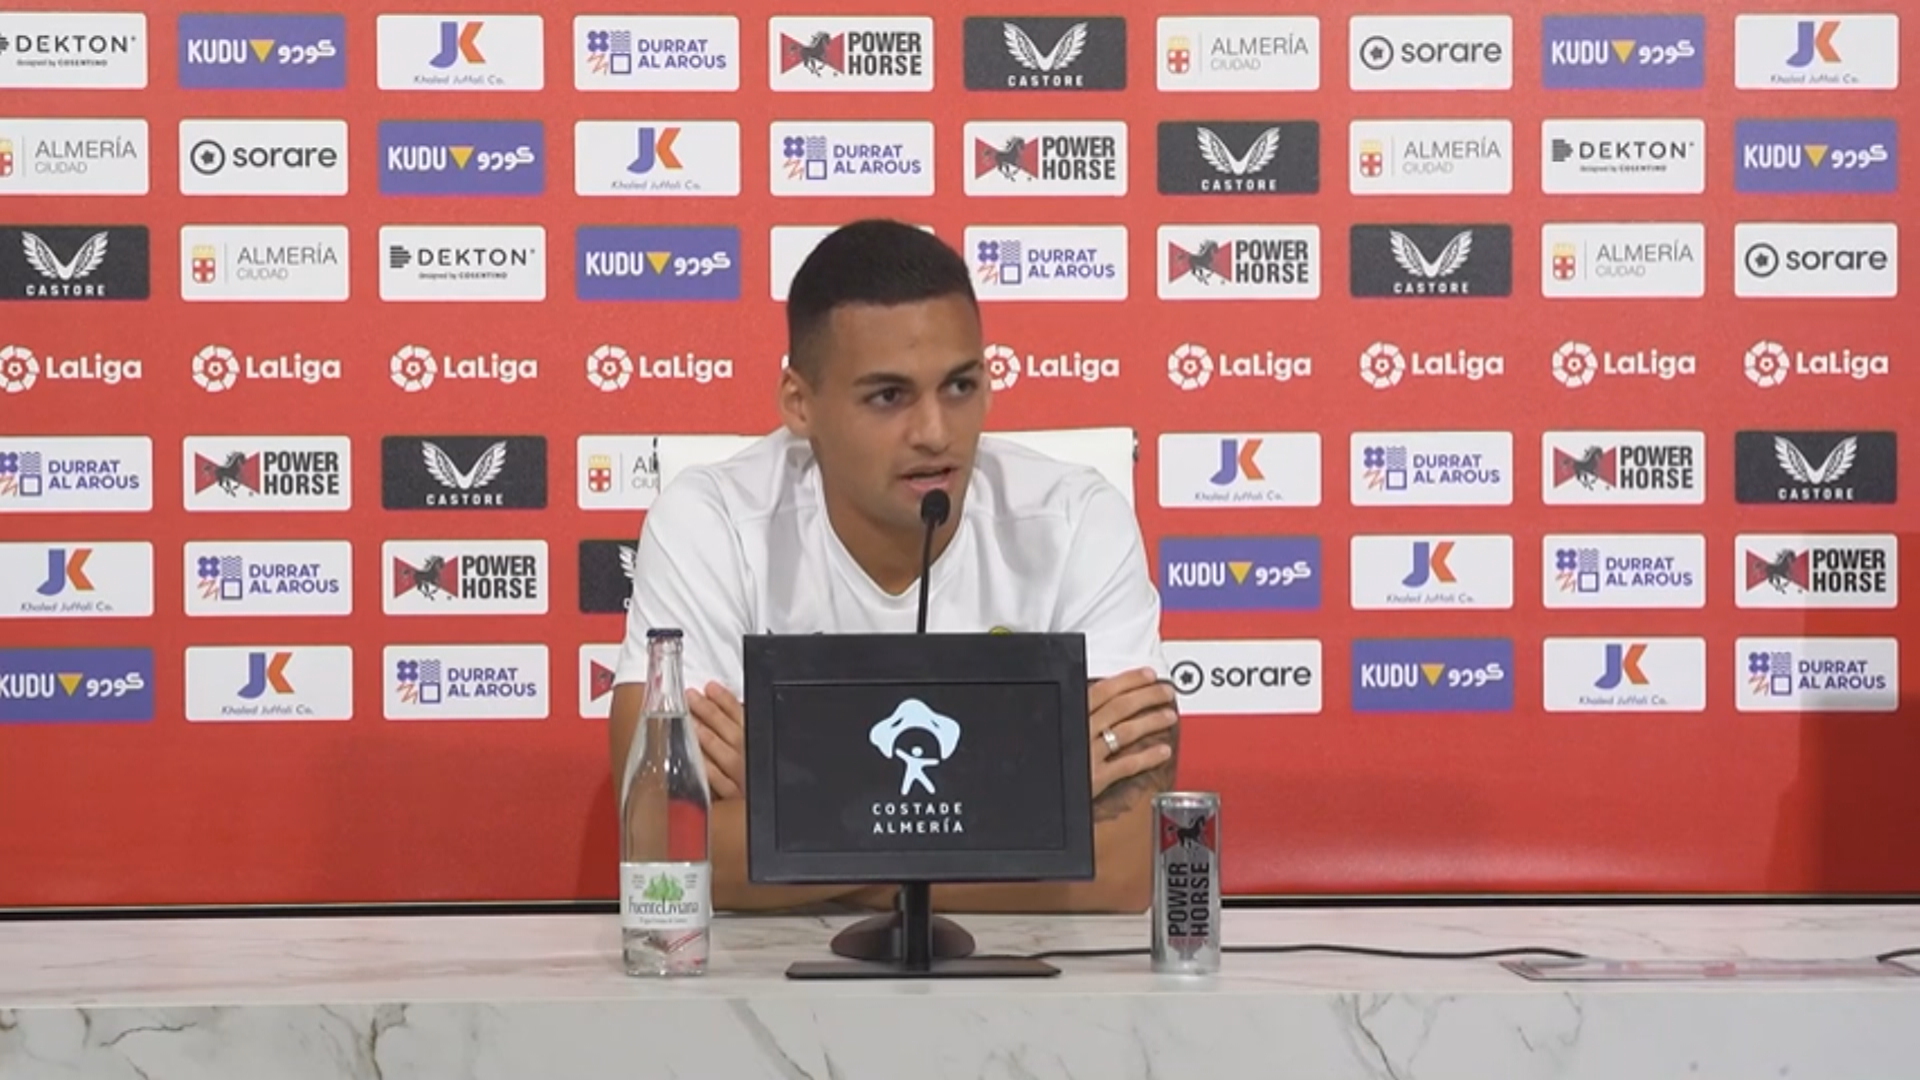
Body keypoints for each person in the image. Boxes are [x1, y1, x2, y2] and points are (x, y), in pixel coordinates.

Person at [606, 218, 1178, 914]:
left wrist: (800, 811)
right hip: (767, 975)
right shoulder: (711, 522)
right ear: (799, 404)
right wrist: (1020, 799)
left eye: (960, 386)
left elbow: (1126, 864)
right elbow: (662, 845)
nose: (935, 433)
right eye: (888, 396)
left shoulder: (1077, 519)